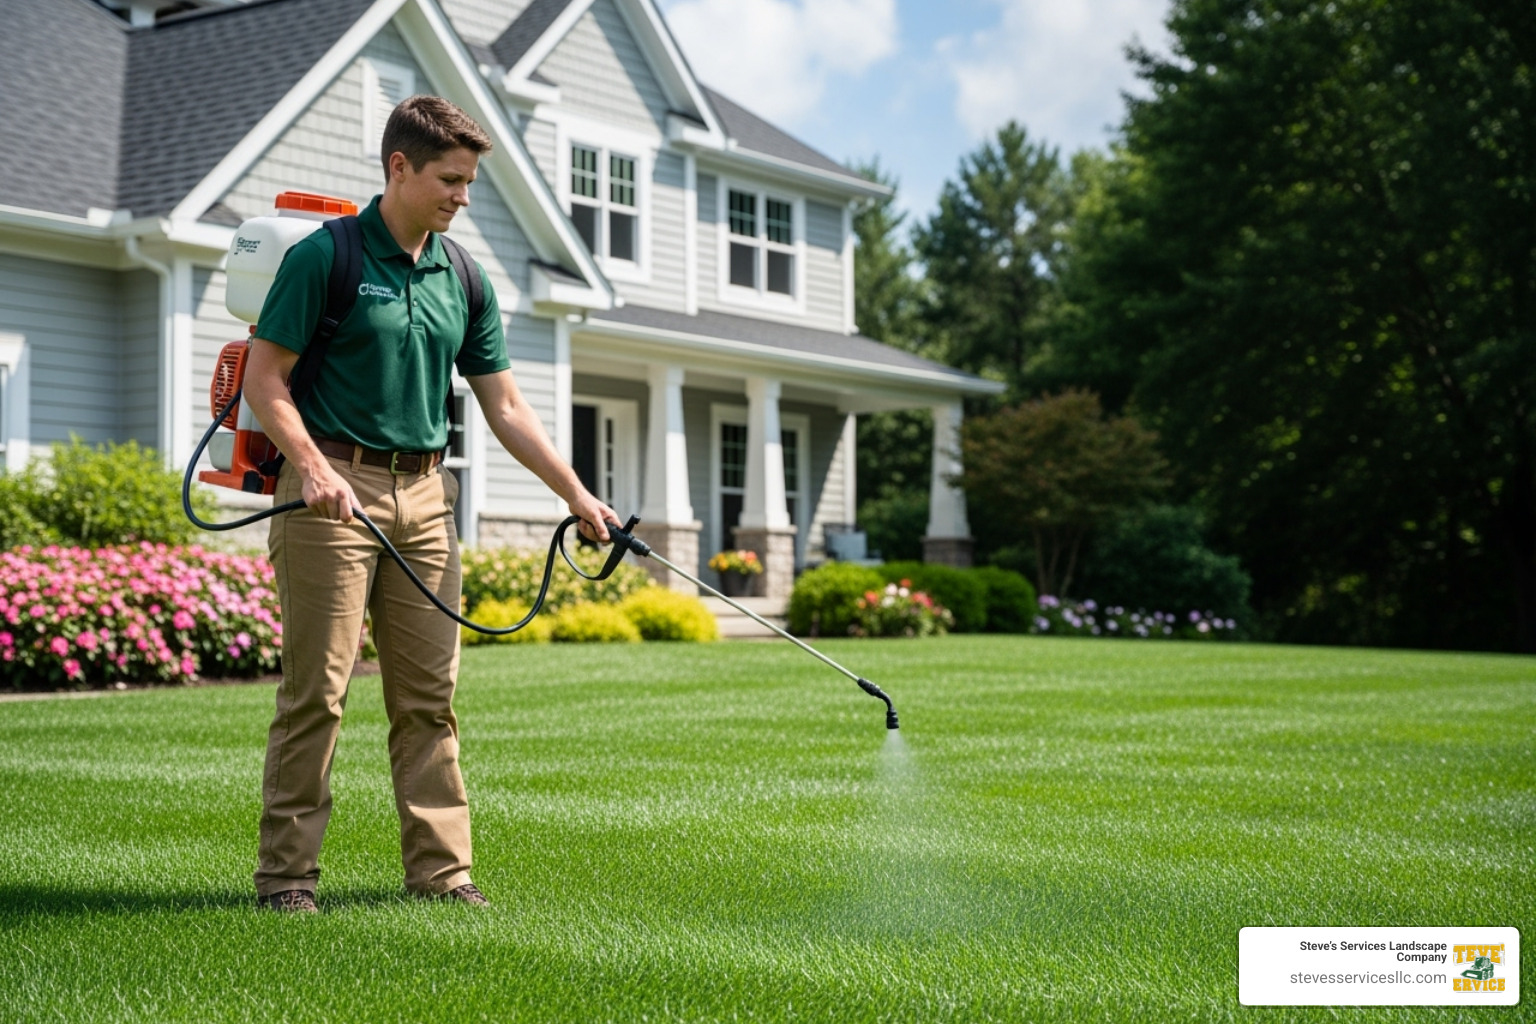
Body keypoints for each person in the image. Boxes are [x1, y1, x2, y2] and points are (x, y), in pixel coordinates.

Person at [243, 95, 616, 912]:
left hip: (426, 498)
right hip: (330, 493)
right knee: (320, 694)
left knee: (429, 699)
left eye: (471, 182)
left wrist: (581, 497)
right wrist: (310, 465)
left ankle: (443, 877)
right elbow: (263, 378)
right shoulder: (328, 256)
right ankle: (287, 880)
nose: (463, 197)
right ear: (399, 167)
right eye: (451, 180)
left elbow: (507, 409)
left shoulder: (464, 275)